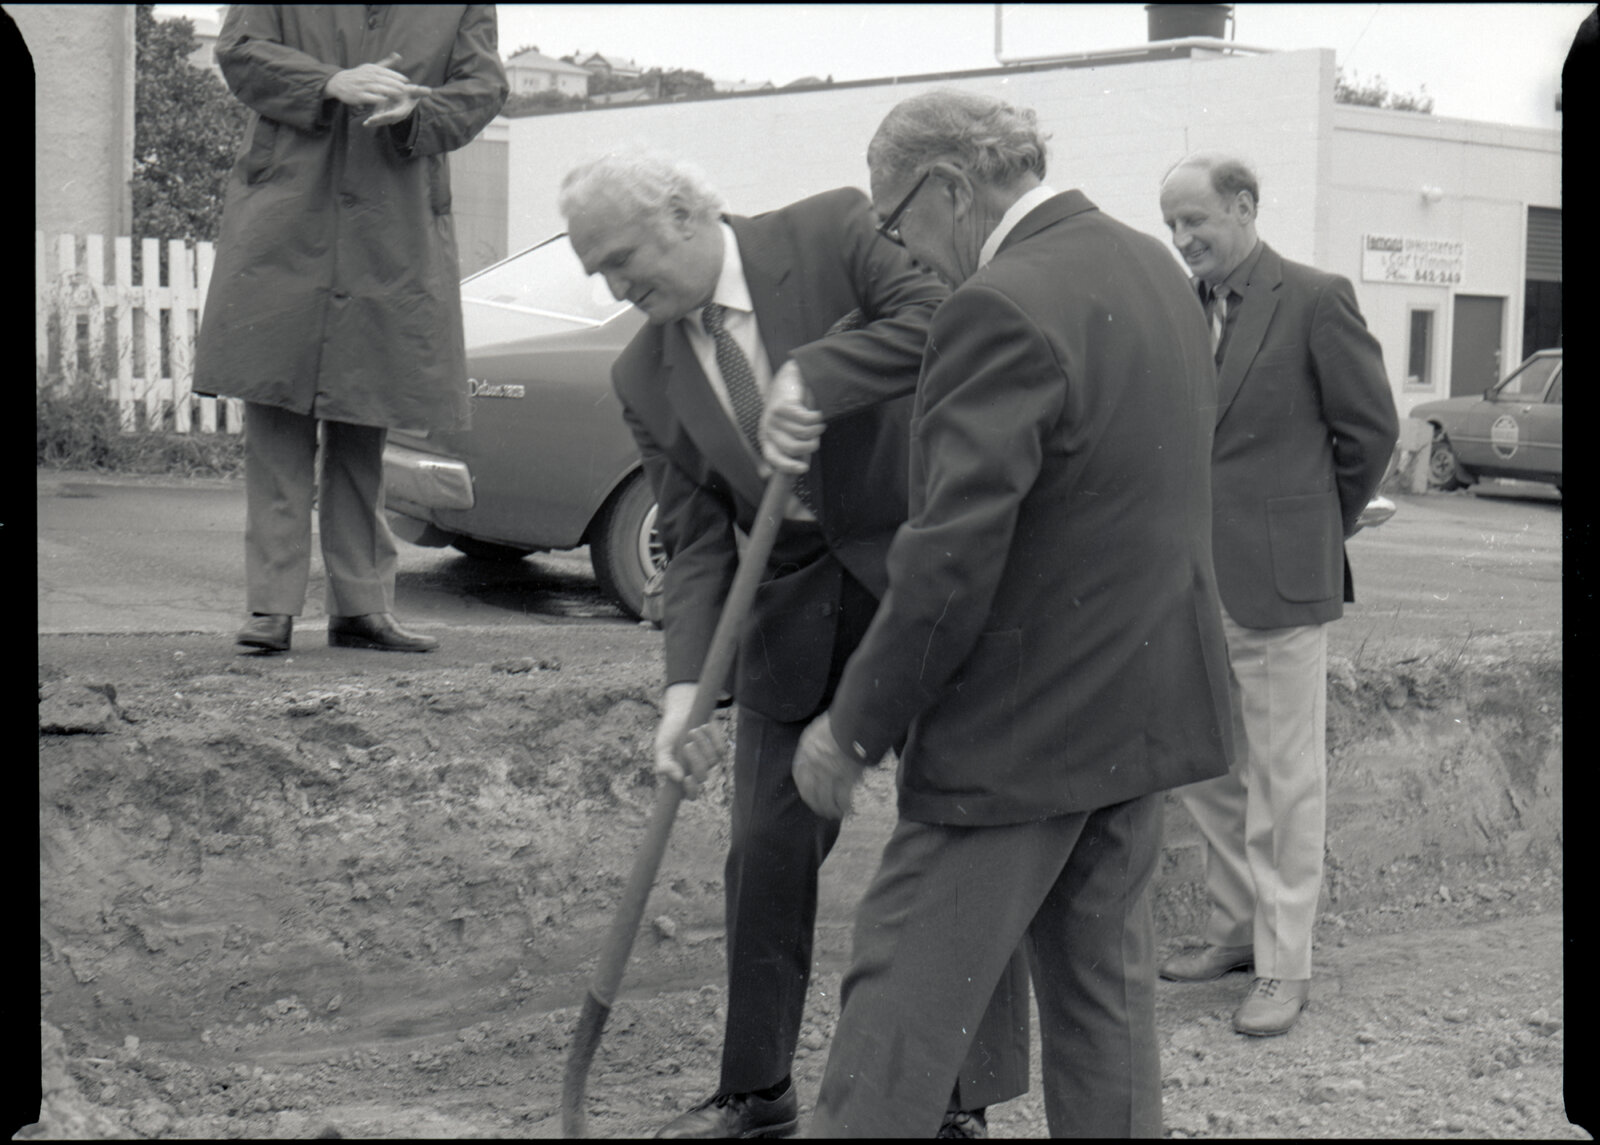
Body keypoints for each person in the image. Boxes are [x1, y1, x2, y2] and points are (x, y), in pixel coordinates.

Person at [558, 154, 1031, 1140]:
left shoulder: (827, 233)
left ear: (683, 214)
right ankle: (755, 1089)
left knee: (958, 829)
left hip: (921, 579)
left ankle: (961, 1095)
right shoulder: (644, 367)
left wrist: (811, 374)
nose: (612, 288)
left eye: (620, 260)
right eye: (594, 271)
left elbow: (942, 318)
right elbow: (693, 542)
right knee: (764, 850)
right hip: (789, 606)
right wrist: (685, 689)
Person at [792, 89, 1234, 1138]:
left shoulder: (996, 304)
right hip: (1142, 703)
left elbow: (948, 558)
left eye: (894, 221)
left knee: (897, 1005)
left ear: (948, 185)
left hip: (1019, 733)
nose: (901, 250)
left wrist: (852, 726)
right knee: (1103, 1006)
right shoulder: (1156, 271)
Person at [1155, 152, 1399, 1036]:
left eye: (1197, 222)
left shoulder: (1315, 296)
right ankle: (1234, 932)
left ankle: (1284, 964)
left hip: (1279, 584)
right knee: (1212, 770)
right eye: (1171, 225)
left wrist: (1312, 524)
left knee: (1286, 780)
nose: (1183, 240)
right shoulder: (1178, 306)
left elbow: (1370, 429)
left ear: (1246, 207)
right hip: (1189, 583)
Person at [195, 5, 507, 655]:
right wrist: (329, 83)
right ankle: (271, 607)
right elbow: (240, 51)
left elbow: (483, 87)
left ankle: (361, 607)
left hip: (391, 225)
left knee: (368, 416)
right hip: (288, 219)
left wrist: (420, 115)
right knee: (276, 413)